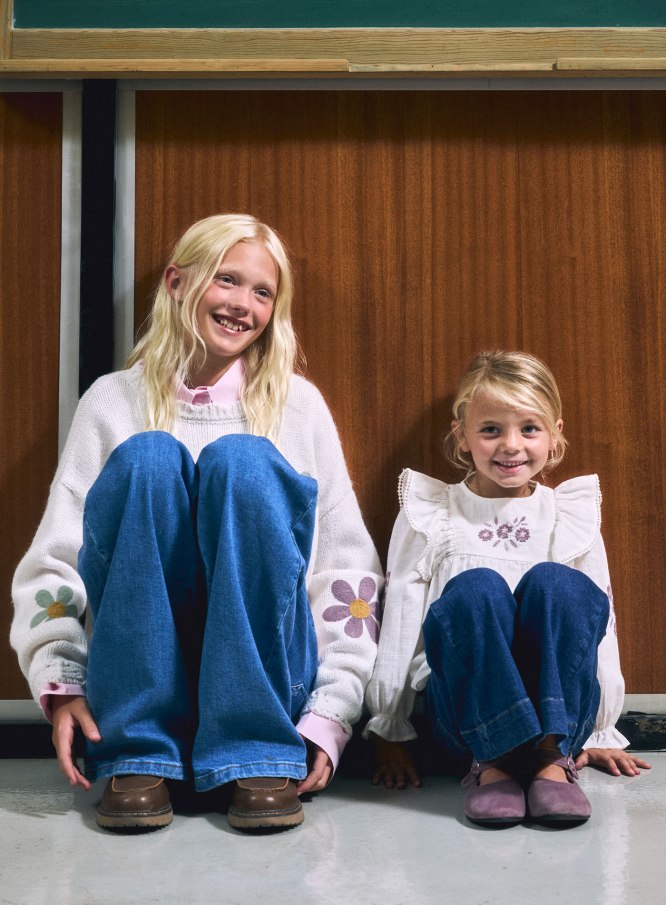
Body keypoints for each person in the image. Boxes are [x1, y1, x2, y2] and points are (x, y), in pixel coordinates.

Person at [11, 214, 382, 834]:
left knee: (243, 462)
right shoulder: (111, 401)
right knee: (149, 459)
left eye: (262, 292)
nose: (243, 304)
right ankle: (140, 748)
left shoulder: (297, 406)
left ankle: (252, 746)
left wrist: (332, 711)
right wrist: (63, 680)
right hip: (134, 683)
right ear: (177, 283)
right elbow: (55, 558)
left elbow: (345, 571)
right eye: (226, 280)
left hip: (271, 695)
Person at [365, 350, 649, 826]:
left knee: (557, 584)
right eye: (491, 429)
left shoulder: (568, 516)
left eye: (529, 429)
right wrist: (388, 727)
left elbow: (598, 626)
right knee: (476, 589)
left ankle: (549, 762)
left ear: (555, 434)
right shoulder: (434, 513)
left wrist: (600, 730)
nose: (511, 445)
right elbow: (401, 619)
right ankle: (493, 764)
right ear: (462, 435)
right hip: (467, 722)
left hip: (557, 723)